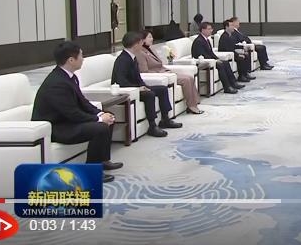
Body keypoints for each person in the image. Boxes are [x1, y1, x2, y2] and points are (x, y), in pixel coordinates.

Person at [31, 41, 122, 183]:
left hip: (66, 121)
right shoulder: (57, 83)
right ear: (71, 60)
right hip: (55, 128)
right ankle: (91, 171)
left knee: (108, 118)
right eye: (81, 56)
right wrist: (98, 119)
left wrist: (100, 113)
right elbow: (71, 113)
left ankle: (103, 161)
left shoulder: (69, 76)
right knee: (100, 128)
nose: (83, 59)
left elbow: (82, 102)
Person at [112, 31, 180, 137]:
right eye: (140, 43)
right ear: (135, 45)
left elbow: (138, 77)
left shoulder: (132, 57)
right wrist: (138, 88)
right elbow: (121, 81)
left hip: (137, 88)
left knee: (162, 89)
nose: (142, 45)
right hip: (127, 91)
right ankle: (152, 126)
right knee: (149, 95)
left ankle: (165, 119)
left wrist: (143, 86)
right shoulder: (123, 60)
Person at [137, 29, 204, 115]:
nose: (152, 39)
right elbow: (144, 71)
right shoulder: (140, 53)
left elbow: (160, 63)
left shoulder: (151, 49)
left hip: (165, 71)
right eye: (149, 37)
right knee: (186, 80)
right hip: (160, 75)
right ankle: (191, 106)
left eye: (152, 37)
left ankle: (195, 103)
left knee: (190, 77)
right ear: (142, 40)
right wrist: (162, 74)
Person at [192, 21, 244, 93]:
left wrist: (217, 58)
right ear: (203, 30)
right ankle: (227, 87)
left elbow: (211, 52)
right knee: (220, 64)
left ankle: (233, 83)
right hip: (203, 62)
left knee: (225, 62)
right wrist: (215, 60)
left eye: (211, 29)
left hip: (210, 59)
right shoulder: (199, 41)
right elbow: (202, 54)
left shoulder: (206, 39)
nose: (211, 31)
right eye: (209, 29)